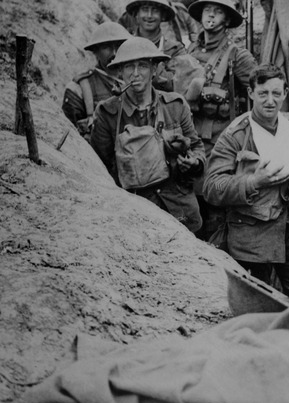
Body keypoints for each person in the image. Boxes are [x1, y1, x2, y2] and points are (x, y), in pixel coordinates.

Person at [203, 64, 289, 301]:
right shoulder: (236, 135)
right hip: (253, 239)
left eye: (276, 94)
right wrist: (253, 181)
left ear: (285, 94)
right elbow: (211, 186)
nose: (270, 101)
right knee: (256, 305)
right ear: (251, 94)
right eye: (263, 94)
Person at [90, 37, 205, 232]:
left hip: (178, 209)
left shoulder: (175, 106)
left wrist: (193, 162)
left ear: (154, 69)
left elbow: (197, 147)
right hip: (134, 212)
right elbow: (100, 169)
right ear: (120, 71)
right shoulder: (108, 113)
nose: (135, 74)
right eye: (129, 67)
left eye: (142, 66)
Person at [186, 0, 258, 240]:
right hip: (190, 135)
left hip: (220, 140)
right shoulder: (189, 52)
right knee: (188, 200)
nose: (211, 16)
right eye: (208, 10)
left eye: (218, 12)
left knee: (215, 200)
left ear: (227, 20)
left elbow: (259, 86)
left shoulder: (237, 55)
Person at [62, 22, 131, 142]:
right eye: (107, 47)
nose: (114, 53)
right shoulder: (79, 89)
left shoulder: (137, 83)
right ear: (95, 51)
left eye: (119, 46)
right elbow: (71, 140)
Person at [123, 0, 202, 93]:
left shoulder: (175, 49)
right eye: (144, 9)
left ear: (162, 16)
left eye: (155, 10)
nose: (149, 15)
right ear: (136, 14)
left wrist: (154, 69)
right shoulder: (124, 46)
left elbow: (181, 83)